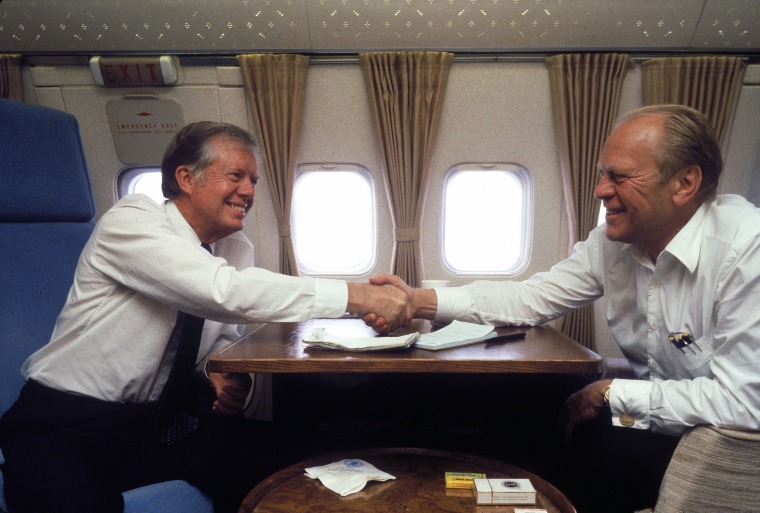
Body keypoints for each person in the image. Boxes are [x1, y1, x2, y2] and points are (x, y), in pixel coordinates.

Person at [368, 104, 760, 512]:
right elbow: (531, 298)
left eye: (619, 176)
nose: (601, 190)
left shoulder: (746, 250)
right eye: (601, 174)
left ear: (684, 183)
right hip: (657, 425)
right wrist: (417, 301)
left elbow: (746, 403)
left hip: (715, 452)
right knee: (527, 409)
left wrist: (611, 392)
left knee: (573, 442)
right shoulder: (611, 245)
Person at [0, 121, 408, 513]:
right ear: (185, 178)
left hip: (150, 427)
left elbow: (210, 345)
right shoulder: (131, 221)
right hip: (63, 425)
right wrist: (358, 295)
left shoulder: (234, 248)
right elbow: (221, 291)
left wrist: (223, 377)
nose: (248, 191)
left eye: (254, 181)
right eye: (236, 176)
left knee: (294, 459)